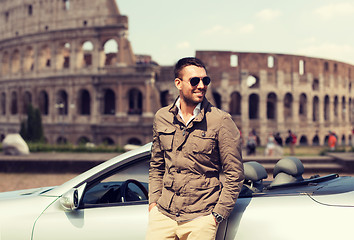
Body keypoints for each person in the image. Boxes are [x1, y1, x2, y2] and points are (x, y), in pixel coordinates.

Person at [146, 57, 244, 240]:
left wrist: (216, 216)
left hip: (201, 218)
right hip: (163, 215)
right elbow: (156, 166)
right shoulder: (162, 117)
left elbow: (234, 174)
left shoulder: (221, 121)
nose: (201, 85)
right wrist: (153, 204)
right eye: (194, 80)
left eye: (205, 80)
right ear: (178, 83)